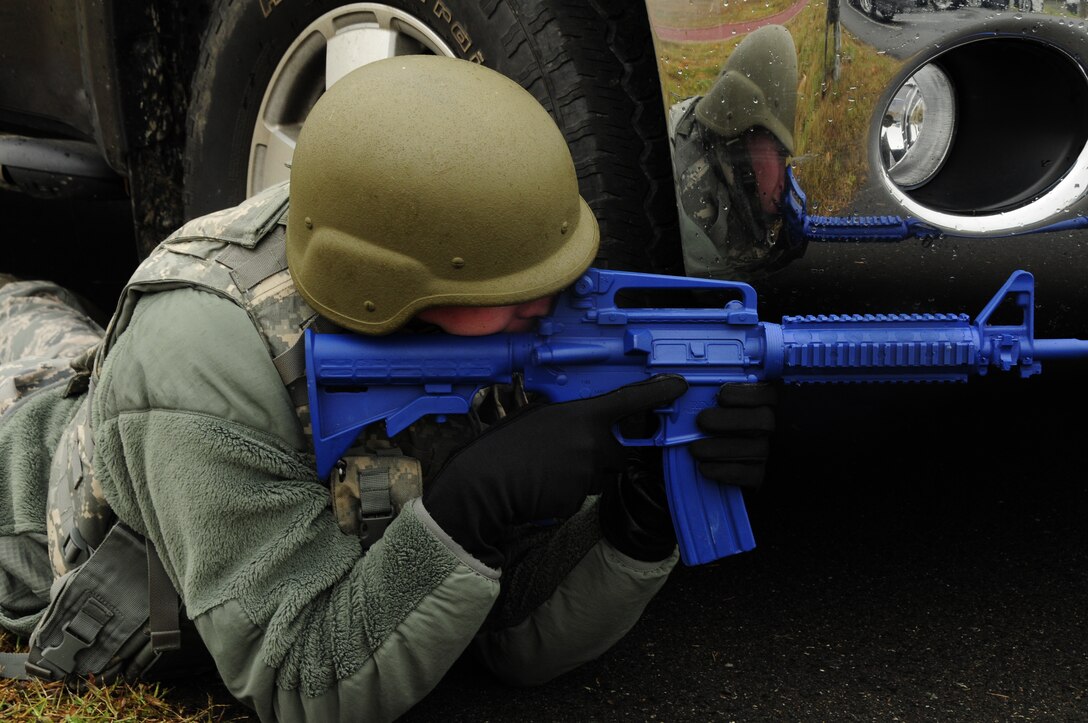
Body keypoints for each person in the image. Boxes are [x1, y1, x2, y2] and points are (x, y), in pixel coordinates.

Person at [0, 56, 776, 720]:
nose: (552, 300)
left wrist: (636, 523)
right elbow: (302, 680)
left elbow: (506, 633)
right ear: (392, 291)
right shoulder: (198, 364)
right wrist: (465, 509)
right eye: (517, 289)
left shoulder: (458, 289)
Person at [669, 24, 806, 281]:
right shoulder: (688, 195)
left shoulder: (738, 172)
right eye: (778, 154)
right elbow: (709, 293)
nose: (787, 180)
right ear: (742, 137)